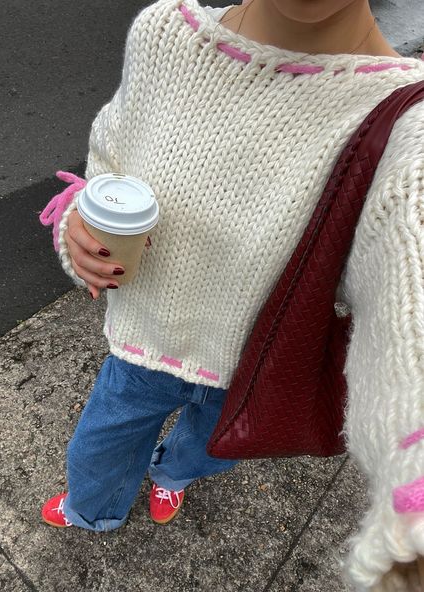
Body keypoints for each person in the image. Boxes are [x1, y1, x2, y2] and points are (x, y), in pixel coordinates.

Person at [38, 0, 424, 589]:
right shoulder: (164, 34)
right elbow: (109, 164)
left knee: (210, 449)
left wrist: (412, 478)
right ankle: (97, 509)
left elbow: (406, 288)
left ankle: (173, 475)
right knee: (101, 445)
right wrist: (79, 225)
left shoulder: (406, 121)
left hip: (257, 370)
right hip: (146, 340)